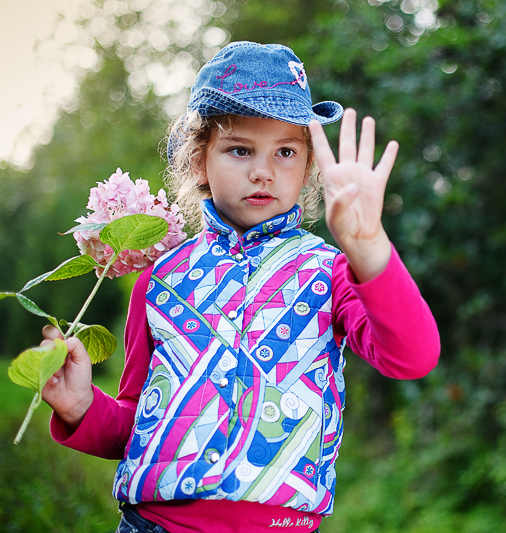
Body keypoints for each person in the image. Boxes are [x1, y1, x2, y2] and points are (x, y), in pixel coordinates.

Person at [40, 41, 440, 533]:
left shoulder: (330, 273)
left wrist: (369, 246)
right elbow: (138, 426)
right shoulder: (160, 280)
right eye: (240, 149)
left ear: (308, 167)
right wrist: (83, 407)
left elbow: (413, 356)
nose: (262, 171)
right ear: (198, 161)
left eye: (285, 152)